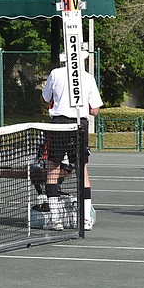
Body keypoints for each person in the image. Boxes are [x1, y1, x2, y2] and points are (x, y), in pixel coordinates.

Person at [41, 50, 104, 231]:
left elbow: (45, 98)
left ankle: (55, 219)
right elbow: (95, 110)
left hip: (59, 125)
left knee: (52, 169)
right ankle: (85, 219)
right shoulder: (88, 78)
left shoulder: (55, 74)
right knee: (82, 169)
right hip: (79, 125)